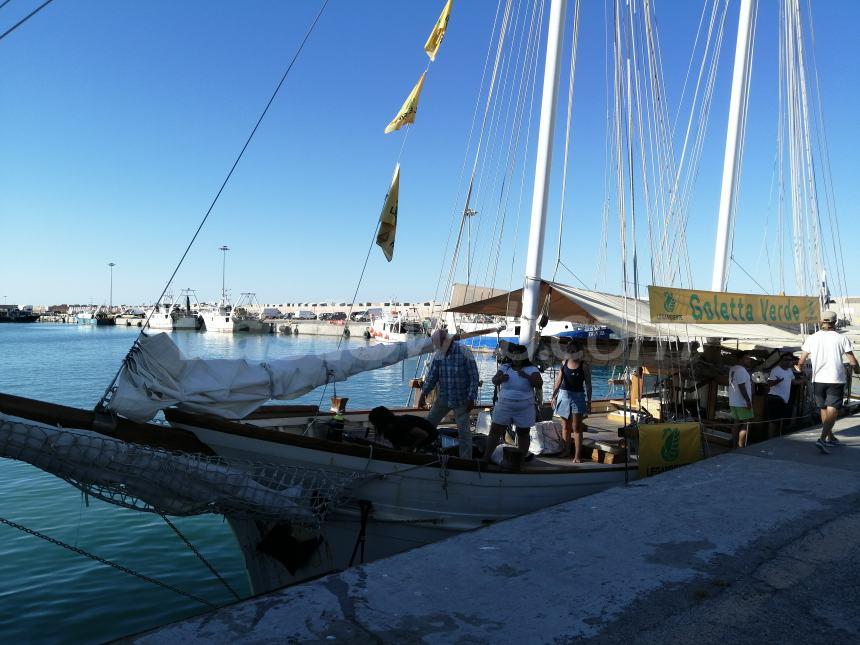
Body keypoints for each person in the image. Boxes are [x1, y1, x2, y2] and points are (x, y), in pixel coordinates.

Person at [798, 310, 859, 454]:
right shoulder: (841, 338)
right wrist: (858, 370)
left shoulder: (812, 338)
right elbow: (852, 361)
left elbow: (801, 360)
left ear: (821, 322)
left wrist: (800, 368)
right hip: (835, 379)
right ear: (835, 322)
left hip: (817, 379)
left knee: (824, 408)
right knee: (833, 409)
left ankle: (830, 437)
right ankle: (822, 438)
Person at [418, 328, 480, 458]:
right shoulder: (438, 354)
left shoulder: (464, 351)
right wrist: (423, 394)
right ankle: (420, 449)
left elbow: (474, 376)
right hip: (443, 398)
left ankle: (466, 459)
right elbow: (432, 376)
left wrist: (471, 398)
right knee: (428, 424)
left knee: (464, 432)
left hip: (462, 399)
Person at [484, 347, 543, 462]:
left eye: (519, 355)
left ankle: (520, 460)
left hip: (524, 407)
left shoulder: (532, 369)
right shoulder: (505, 367)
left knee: (523, 432)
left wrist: (526, 376)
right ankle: (486, 457)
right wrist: (500, 378)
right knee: (495, 430)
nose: (516, 358)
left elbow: (539, 383)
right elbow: (494, 380)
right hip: (504, 405)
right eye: (514, 355)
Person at [551, 345, 592, 462]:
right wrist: (553, 396)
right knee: (565, 427)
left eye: (576, 351)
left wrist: (589, 401)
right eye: (570, 352)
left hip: (578, 397)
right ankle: (566, 451)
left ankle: (577, 456)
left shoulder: (584, 366)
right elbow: (558, 381)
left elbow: (588, 385)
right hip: (564, 395)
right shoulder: (564, 363)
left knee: (577, 428)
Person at [368, 406, 438, 451]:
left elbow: (424, 435)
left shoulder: (402, 424)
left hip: (430, 435)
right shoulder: (389, 428)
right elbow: (393, 440)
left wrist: (410, 448)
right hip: (412, 434)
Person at [766, 353, 796, 438]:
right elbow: (769, 383)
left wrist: (805, 379)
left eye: (789, 360)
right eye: (785, 359)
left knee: (779, 421)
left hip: (783, 400)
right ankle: (770, 441)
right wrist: (776, 381)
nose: (788, 362)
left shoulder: (790, 371)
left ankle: (776, 440)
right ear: (781, 361)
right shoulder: (776, 370)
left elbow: (793, 382)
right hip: (774, 398)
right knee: (773, 422)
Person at [728, 352, 754, 448]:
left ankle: (734, 444)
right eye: (746, 358)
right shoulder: (741, 370)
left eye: (749, 358)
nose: (749, 360)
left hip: (733, 401)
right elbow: (741, 386)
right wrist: (747, 400)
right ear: (740, 359)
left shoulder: (733, 369)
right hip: (741, 402)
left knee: (736, 422)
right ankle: (740, 445)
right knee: (746, 423)